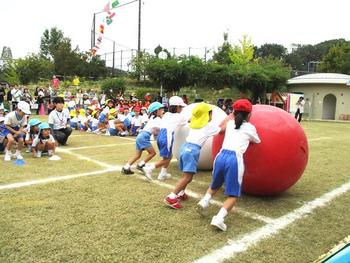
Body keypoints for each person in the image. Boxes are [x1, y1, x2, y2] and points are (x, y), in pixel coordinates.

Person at [196, 99, 261, 231]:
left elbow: (220, 131)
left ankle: (204, 201)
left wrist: (229, 118)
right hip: (234, 159)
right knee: (233, 195)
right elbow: (257, 141)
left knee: (215, 184)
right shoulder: (250, 127)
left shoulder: (230, 123)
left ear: (234, 112)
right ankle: (219, 219)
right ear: (249, 115)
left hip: (220, 156)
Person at [164, 103, 221, 209]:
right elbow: (221, 130)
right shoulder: (208, 126)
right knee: (187, 177)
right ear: (206, 115)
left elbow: (190, 119)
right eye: (211, 114)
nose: (212, 116)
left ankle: (181, 193)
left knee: (187, 176)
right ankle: (171, 197)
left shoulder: (194, 122)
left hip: (184, 148)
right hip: (192, 150)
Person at [142, 96, 187, 180]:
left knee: (167, 156)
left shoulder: (166, 114)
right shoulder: (180, 116)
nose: (182, 109)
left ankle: (163, 173)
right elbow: (188, 121)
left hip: (160, 136)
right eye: (181, 107)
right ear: (177, 107)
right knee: (167, 158)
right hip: (167, 137)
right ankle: (149, 168)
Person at [121, 102, 164, 175]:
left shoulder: (152, 118)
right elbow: (159, 130)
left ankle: (126, 167)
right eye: (161, 109)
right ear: (156, 111)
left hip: (140, 136)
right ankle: (141, 165)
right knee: (152, 153)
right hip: (144, 136)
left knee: (137, 155)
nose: (162, 111)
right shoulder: (157, 119)